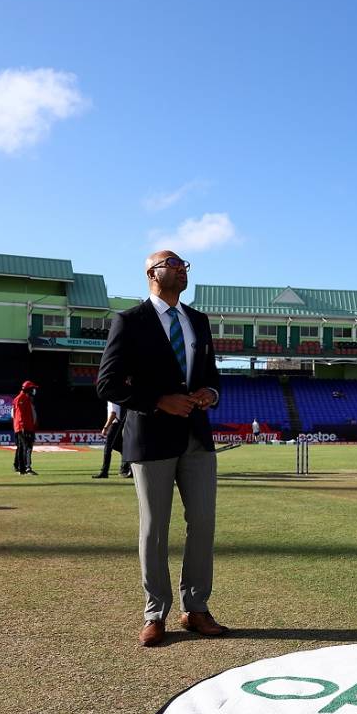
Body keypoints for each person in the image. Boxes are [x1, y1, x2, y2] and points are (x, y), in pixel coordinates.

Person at [97, 249, 225, 648]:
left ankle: (196, 608)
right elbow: (107, 383)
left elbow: (210, 375)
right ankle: (155, 613)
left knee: (203, 522)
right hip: (151, 438)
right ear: (152, 273)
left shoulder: (198, 320)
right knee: (154, 529)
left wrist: (210, 393)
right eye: (174, 263)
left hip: (196, 437)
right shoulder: (129, 321)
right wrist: (158, 400)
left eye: (185, 265)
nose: (182, 269)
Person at [93, 401, 132, 479]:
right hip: (119, 424)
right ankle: (126, 468)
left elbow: (113, 414)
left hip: (115, 425)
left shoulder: (111, 400)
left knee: (107, 449)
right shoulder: (116, 399)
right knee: (119, 447)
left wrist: (105, 427)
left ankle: (104, 472)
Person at [12, 380, 38, 475]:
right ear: (28, 389)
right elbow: (20, 415)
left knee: (22, 447)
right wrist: (22, 427)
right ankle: (27, 468)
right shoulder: (21, 398)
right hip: (24, 427)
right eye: (33, 389)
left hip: (25, 427)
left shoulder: (25, 398)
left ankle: (20, 468)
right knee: (27, 447)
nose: (34, 391)